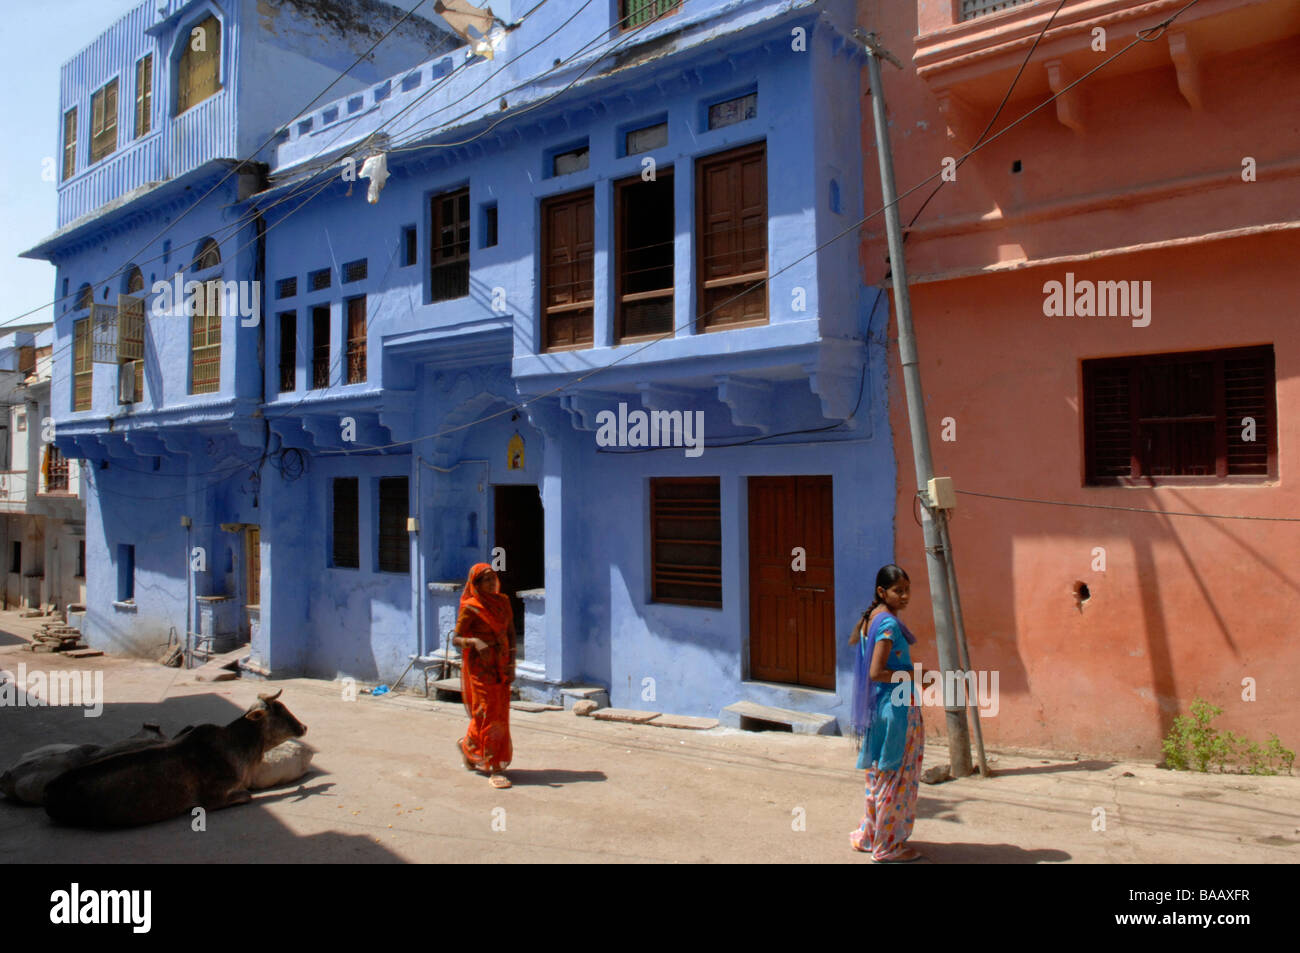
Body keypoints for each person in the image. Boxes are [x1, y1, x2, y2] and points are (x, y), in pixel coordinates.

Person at [848, 564, 925, 861]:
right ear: (882, 591)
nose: (905, 596)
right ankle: (888, 846)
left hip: (879, 707)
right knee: (896, 776)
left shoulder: (872, 618)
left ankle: (870, 836)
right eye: (898, 591)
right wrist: (915, 676)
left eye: (907, 590)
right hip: (895, 708)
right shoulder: (889, 625)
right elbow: (877, 672)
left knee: (879, 775)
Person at [452, 563, 516, 789]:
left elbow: (510, 633)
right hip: (481, 666)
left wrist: (512, 664)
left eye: (493, 578)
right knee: (487, 712)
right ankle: (494, 766)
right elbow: (456, 638)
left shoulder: (503, 602)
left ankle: (469, 747)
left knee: (498, 711)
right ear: (476, 584)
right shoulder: (471, 607)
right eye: (486, 580)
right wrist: (475, 642)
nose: (491, 583)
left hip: (501, 664)